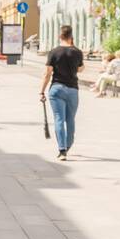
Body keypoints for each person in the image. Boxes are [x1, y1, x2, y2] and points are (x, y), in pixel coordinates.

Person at [40, 24, 84, 159]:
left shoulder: (54, 52)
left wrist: (41, 91)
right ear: (71, 37)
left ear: (60, 36)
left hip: (56, 89)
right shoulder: (77, 52)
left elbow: (47, 73)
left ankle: (62, 150)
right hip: (72, 90)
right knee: (70, 120)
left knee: (59, 119)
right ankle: (68, 144)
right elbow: (81, 69)